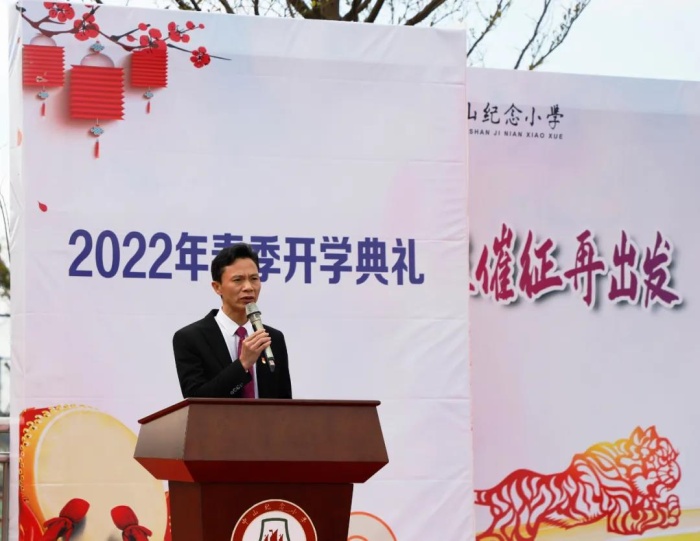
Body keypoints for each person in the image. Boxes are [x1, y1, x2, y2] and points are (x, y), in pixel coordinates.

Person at [173, 243, 292, 399]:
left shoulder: (273, 338)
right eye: (238, 280)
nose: (249, 287)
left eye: (254, 279)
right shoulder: (190, 338)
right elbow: (196, 400)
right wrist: (243, 364)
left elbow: (284, 403)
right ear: (217, 287)